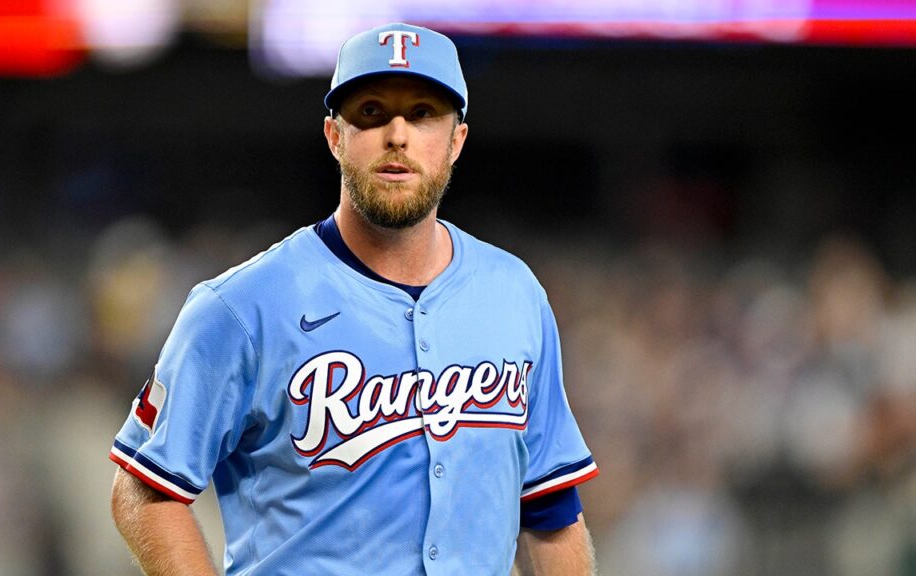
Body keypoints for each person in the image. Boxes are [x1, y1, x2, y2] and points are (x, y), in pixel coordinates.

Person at [109, 22, 599, 576]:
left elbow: (550, 510)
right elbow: (144, 491)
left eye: (422, 113)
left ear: (457, 140)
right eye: (371, 112)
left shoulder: (514, 295)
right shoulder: (242, 307)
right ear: (334, 136)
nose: (397, 135)